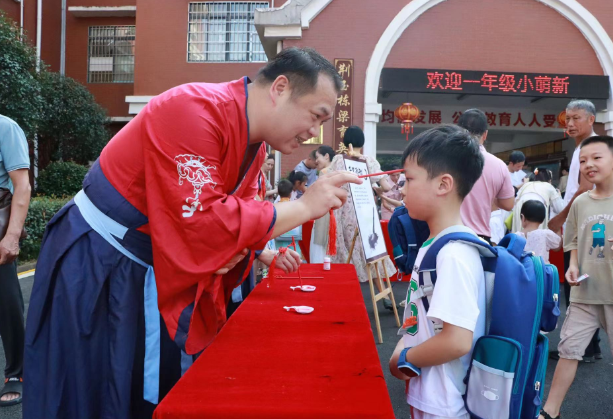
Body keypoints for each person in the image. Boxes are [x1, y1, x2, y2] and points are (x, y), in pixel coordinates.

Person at [23, 47, 362, 419]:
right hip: (100, 262)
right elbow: (205, 224)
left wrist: (241, 245)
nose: (315, 132)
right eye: (316, 116)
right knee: (90, 387)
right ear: (280, 88)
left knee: (136, 387)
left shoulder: (254, 144)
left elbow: (236, 226)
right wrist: (302, 207)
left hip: (149, 265)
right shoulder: (193, 108)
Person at [388, 125, 485, 419]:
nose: (401, 189)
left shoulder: (454, 254)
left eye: (408, 179)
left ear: (443, 185)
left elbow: (457, 340)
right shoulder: (435, 244)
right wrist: (404, 344)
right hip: (432, 394)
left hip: (446, 403)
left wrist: (404, 359)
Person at [541, 135, 613, 419]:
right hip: (585, 293)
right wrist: (573, 265)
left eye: (596, 158)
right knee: (568, 350)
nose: (588, 165)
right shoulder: (580, 203)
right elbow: (573, 241)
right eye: (582, 161)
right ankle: (550, 412)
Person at [547, 99, 599, 362]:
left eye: (576, 118)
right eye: (568, 118)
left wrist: (559, 219)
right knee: (582, 283)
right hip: (584, 225)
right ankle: (591, 346)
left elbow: (582, 189)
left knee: (576, 284)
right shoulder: (588, 146)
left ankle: (583, 347)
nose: (569, 123)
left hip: (581, 227)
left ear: (591, 119)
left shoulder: (590, 148)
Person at [329, 126, 396, 308]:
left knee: (347, 251)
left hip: (344, 211)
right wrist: (377, 189)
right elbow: (387, 186)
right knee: (370, 251)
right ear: (362, 142)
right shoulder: (369, 161)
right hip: (365, 210)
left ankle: (347, 296)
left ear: (345, 142)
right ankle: (384, 295)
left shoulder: (338, 160)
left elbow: (327, 179)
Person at [0, 115, 31, 408]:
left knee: (5, 303)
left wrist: (12, 236)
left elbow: (22, 185)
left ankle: (17, 374)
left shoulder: (4, 127)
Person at [457, 108, 515, 243]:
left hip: (447, 234)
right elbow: (508, 204)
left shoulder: (443, 160)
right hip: (480, 237)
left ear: (457, 131)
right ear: (485, 134)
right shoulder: (499, 165)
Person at [511, 168, 564, 233]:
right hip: (538, 206)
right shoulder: (549, 186)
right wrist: (559, 196)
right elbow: (560, 209)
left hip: (520, 207)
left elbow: (515, 201)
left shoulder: (526, 185)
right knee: (536, 234)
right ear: (549, 180)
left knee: (520, 233)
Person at [310, 145, 336, 263]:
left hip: (324, 214)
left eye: (317, 157)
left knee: (320, 245)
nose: (316, 161)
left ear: (326, 156)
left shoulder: (324, 172)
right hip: (335, 215)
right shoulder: (338, 171)